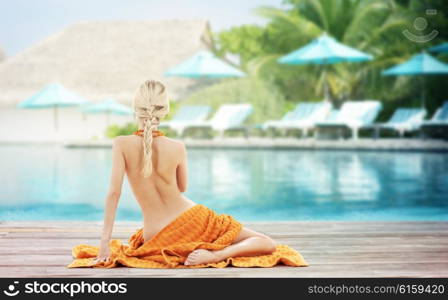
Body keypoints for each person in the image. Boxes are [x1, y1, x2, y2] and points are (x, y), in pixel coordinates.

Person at [67, 80, 307, 269]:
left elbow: (113, 194)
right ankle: (217, 254)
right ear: (165, 111)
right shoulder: (178, 147)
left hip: (155, 235)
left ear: (136, 108)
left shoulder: (121, 144)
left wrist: (103, 246)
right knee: (267, 243)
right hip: (194, 220)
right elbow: (182, 188)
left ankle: (215, 253)